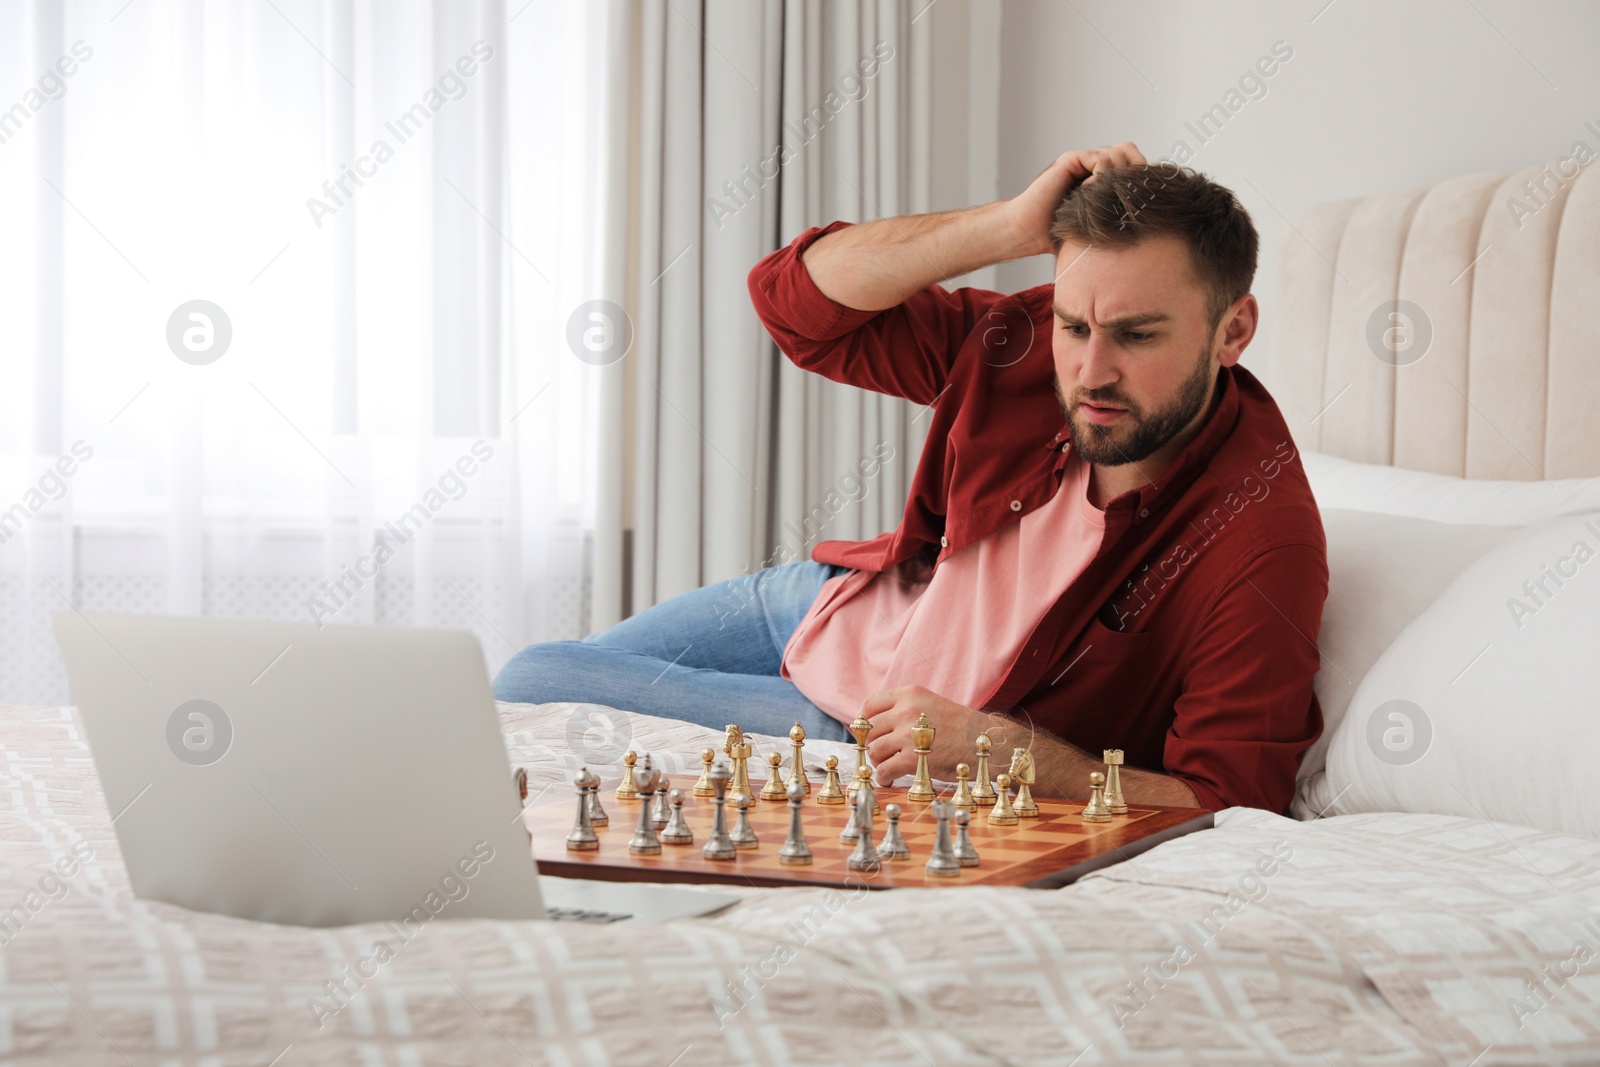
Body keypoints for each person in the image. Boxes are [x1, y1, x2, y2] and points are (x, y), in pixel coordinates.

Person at [495, 143, 1328, 815]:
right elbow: (795, 304)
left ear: (1234, 330)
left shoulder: (1260, 537)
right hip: (827, 599)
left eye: (1138, 336)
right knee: (523, 706)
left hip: (883, 725)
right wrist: (1006, 226)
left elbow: (1233, 798)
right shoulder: (1028, 341)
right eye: (1076, 325)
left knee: (529, 683)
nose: (1090, 371)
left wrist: (1013, 754)